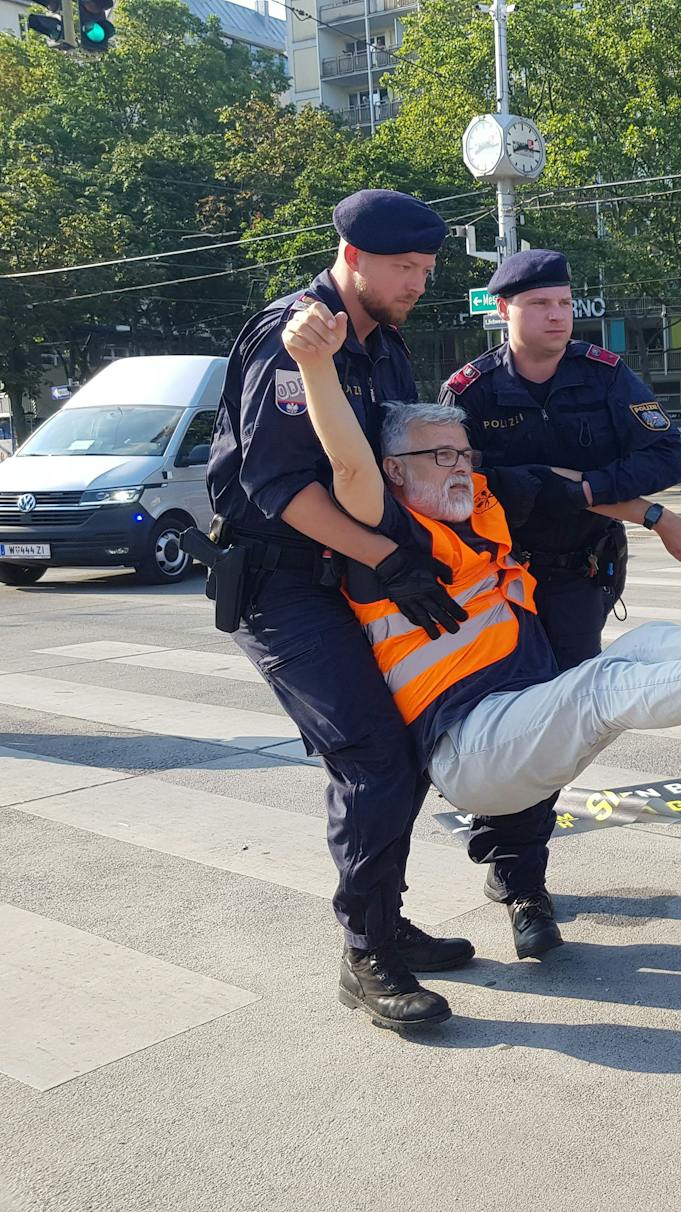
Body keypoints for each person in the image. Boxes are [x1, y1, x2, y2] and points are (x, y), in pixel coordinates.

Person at [280, 304, 681, 1026]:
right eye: (441, 458)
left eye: (465, 454)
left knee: (647, 645)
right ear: (395, 469)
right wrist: (314, 364)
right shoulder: (383, 518)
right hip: (467, 743)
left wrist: (658, 516)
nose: (460, 468)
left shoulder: (487, 496)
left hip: (522, 715)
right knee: (602, 685)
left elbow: (576, 487)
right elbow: (345, 459)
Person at [207, 189, 473, 1028]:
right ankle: (367, 954)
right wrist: (390, 558)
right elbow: (277, 488)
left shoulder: (385, 345)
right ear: (352, 259)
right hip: (282, 580)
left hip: (353, 573)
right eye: (405, 269)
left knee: (411, 748)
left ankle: (384, 919)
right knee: (371, 753)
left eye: (428, 271)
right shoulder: (296, 337)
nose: (418, 285)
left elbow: (393, 459)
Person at [440, 249, 681, 960]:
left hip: (578, 578)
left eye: (564, 302)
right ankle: (521, 876)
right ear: (504, 312)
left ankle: (516, 864)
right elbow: (448, 477)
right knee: (508, 716)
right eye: (541, 304)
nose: (558, 315)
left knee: (557, 720)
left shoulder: (605, 376)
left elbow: (669, 458)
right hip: (493, 583)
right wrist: (527, 481)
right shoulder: (471, 392)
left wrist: (580, 490)